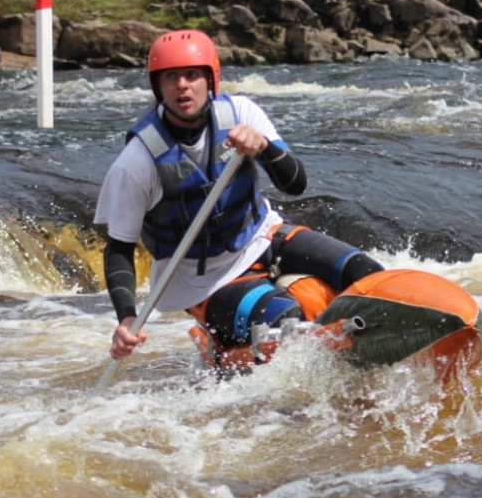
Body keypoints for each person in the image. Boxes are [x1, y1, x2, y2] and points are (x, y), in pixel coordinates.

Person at [95, 28, 384, 365]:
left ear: (211, 79)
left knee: (365, 271)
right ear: (157, 87)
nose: (182, 86)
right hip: (204, 281)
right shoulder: (137, 161)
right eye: (170, 77)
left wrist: (264, 148)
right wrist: (126, 318)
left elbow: (296, 184)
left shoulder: (242, 112)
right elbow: (118, 248)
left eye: (192, 75)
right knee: (286, 320)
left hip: (264, 235)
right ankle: (223, 343)